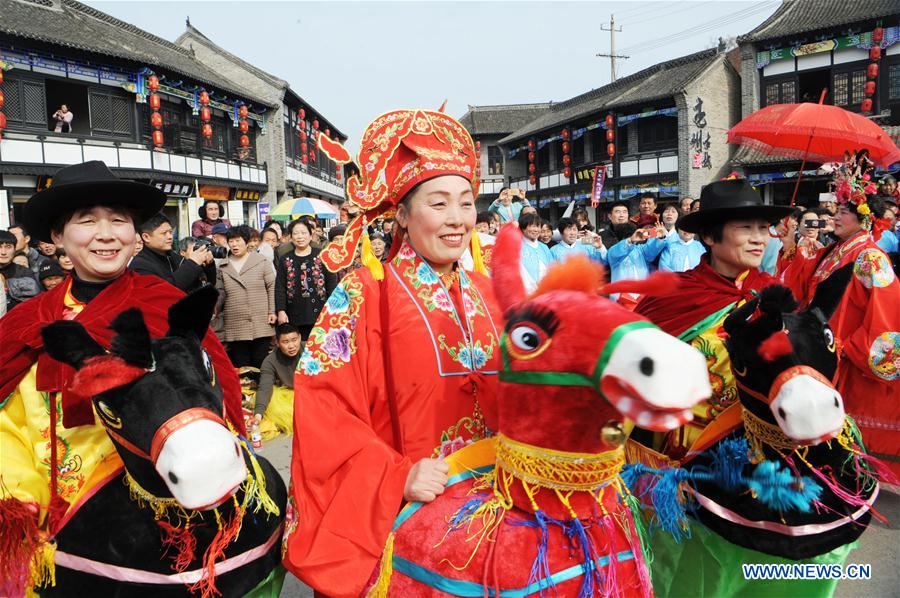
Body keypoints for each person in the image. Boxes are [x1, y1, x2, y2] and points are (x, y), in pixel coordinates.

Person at [284, 108, 502, 597]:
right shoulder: (365, 293)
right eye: (438, 203)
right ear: (401, 214)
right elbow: (323, 408)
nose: (456, 219)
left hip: (499, 512)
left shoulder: (494, 294)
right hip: (411, 515)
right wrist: (397, 476)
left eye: (466, 203)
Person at [0, 161, 245, 596]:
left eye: (118, 220)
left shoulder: (164, 304)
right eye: (87, 221)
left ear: (135, 234)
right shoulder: (25, 321)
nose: (106, 234)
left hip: (148, 522)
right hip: (41, 517)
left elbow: (216, 391)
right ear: (57, 237)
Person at [634, 178, 791, 457]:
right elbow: (634, 366)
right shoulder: (673, 294)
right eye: (746, 228)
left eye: (763, 228)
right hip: (684, 449)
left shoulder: (773, 295)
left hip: (758, 450)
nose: (759, 238)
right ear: (709, 236)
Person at [782, 153, 900, 476]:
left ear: (864, 220)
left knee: (848, 434)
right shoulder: (835, 251)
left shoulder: (870, 258)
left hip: (847, 354)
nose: (834, 217)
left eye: (843, 212)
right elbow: (805, 284)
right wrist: (794, 246)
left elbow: (887, 311)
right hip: (824, 347)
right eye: (837, 210)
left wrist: (850, 345)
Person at [215, 225, 276, 369]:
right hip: (235, 323)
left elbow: (272, 286)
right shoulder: (223, 266)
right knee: (241, 365)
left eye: (238, 241)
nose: (234, 245)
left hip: (260, 320)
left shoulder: (261, 261)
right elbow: (220, 292)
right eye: (231, 241)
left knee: (261, 362)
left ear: (247, 242)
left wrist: (272, 311)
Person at [274, 218, 336, 340]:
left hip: (321, 313)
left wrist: (333, 308)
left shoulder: (322, 256)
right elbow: (280, 288)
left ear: (310, 234)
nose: (300, 237)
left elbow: (331, 284)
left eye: (303, 233)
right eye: (296, 233)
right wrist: (281, 311)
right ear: (291, 236)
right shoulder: (285, 259)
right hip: (294, 314)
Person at [129, 212, 213, 292]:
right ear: (146, 237)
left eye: (170, 232)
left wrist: (209, 266)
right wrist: (193, 263)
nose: (170, 237)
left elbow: (202, 285)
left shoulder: (174, 257)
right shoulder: (139, 265)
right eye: (164, 233)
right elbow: (163, 292)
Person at [253, 323, 302, 440]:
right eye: (286, 342)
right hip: (290, 395)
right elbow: (265, 388)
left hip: (312, 391)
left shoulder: (310, 350)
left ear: (300, 337)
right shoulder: (270, 361)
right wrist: (258, 415)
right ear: (277, 343)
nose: (291, 346)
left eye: (294, 340)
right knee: (275, 404)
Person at [606, 220, 667, 308]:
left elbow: (652, 250)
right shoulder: (613, 250)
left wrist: (661, 237)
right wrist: (630, 240)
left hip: (642, 297)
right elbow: (617, 252)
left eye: (631, 235)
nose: (632, 238)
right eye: (626, 237)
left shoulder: (641, 249)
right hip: (621, 300)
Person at [0, 229, 42, 309]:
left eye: (8, 247)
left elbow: (33, 302)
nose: (3, 252)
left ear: (15, 249)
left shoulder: (24, 272)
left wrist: (6, 284)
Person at [517, 211, 554, 292]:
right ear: (523, 228)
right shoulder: (517, 247)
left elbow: (552, 268)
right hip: (526, 293)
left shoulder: (544, 247)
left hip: (546, 291)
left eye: (538, 226)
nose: (536, 230)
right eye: (532, 226)